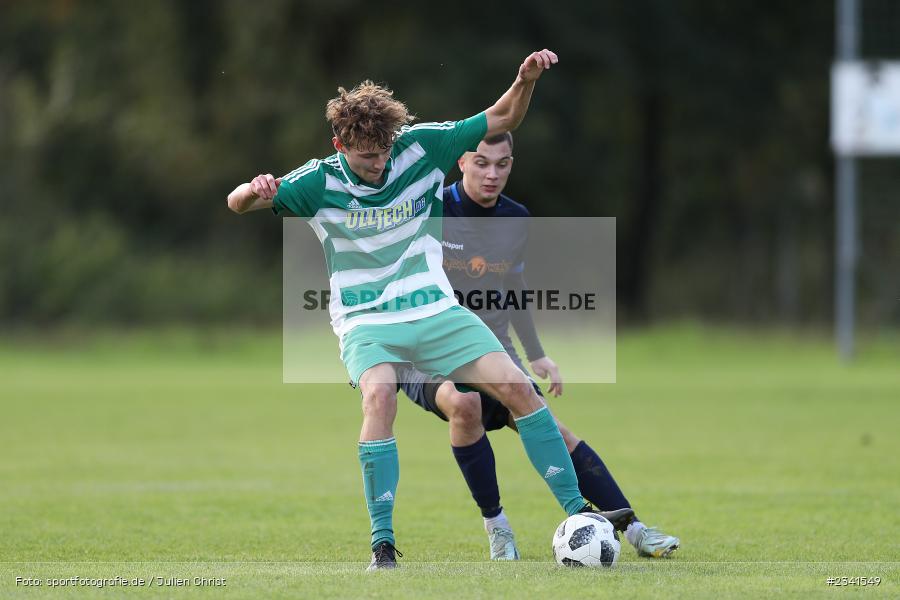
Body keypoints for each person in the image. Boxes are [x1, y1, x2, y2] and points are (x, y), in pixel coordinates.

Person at [227, 50, 634, 571]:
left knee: (518, 389)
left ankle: (579, 515)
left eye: (383, 152)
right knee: (378, 396)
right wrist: (252, 189)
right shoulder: (318, 182)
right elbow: (238, 204)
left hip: (437, 311)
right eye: (365, 155)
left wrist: (524, 80)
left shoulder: (423, 147)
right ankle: (383, 545)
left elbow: (503, 116)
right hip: (367, 320)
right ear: (340, 145)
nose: (378, 163)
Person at [397, 132, 680, 560]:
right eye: (481, 163)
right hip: (425, 350)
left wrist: (535, 354)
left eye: (503, 164)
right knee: (464, 404)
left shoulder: (516, 217)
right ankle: (498, 527)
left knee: (554, 429)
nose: (492, 174)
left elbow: (513, 285)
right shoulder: (431, 209)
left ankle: (636, 530)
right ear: (461, 163)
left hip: (490, 347)